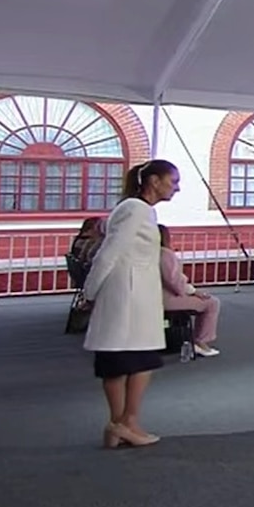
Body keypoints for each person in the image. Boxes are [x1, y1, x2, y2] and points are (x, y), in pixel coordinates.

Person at [81, 160, 180, 448]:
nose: (176, 187)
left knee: (123, 361)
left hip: (132, 296)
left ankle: (120, 424)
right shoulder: (136, 209)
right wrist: (90, 291)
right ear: (153, 181)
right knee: (134, 361)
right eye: (172, 181)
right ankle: (126, 422)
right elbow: (109, 252)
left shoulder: (138, 210)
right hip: (129, 297)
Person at [158, 224, 222, 356]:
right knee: (211, 303)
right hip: (167, 299)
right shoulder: (165, 255)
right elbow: (174, 281)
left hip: (151, 297)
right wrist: (193, 292)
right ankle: (200, 342)